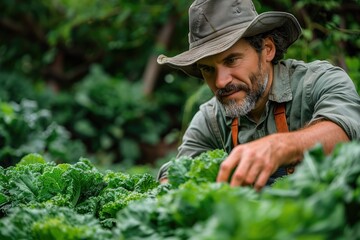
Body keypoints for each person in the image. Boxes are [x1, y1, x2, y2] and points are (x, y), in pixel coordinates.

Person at [156, 0, 360, 191]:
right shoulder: (211, 119)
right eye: (208, 69)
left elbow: (346, 129)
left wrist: (279, 147)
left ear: (267, 49)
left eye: (232, 60)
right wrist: (168, 188)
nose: (220, 82)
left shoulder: (320, 81)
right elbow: (176, 173)